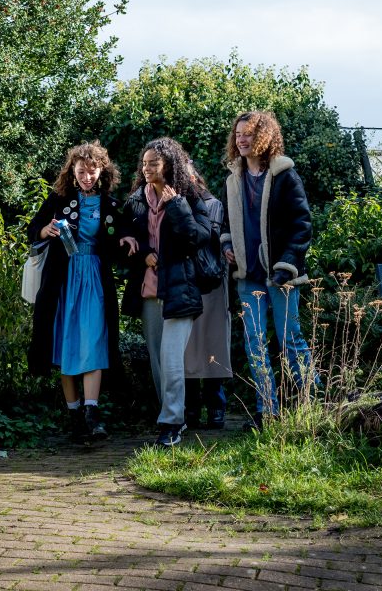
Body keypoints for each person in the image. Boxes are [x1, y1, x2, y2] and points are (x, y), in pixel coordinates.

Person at [220, 111, 319, 429]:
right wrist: (226, 247)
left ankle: (314, 404)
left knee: (291, 340)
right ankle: (268, 413)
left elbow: (302, 225)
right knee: (255, 344)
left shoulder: (285, 174)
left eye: (248, 133)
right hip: (248, 277)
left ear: (263, 136)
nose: (242, 139)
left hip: (281, 276)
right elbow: (225, 224)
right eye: (238, 135)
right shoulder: (233, 179)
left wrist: (286, 265)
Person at [28, 141, 124, 443]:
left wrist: (129, 241)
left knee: (95, 339)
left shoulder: (110, 204)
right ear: (72, 172)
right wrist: (46, 230)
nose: (87, 177)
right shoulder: (57, 199)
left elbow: (121, 236)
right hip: (62, 281)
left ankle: (91, 413)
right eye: (81, 171)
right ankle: (74, 415)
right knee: (65, 344)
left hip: (95, 278)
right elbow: (32, 229)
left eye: (92, 171)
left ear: (101, 171)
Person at [120, 137, 211, 447]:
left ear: (169, 165)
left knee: (172, 358)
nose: (147, 169)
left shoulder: (188, 195)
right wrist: (140, 249)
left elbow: (199, 236)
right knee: (159, 361)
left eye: (153, 164)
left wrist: (176, 206)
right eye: (144, 164)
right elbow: (125, 238)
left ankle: (171, 422)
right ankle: (172, 417)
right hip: (148, 290)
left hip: (180, 289)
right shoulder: (135, 199)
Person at [183, 161, 232, 430]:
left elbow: (211, 240)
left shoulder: (213, 204)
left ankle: (216, 408)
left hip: (212, 282)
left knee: (213, 345)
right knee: (187, 348)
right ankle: (191, 409)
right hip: (186, 284)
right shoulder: (174, 204)